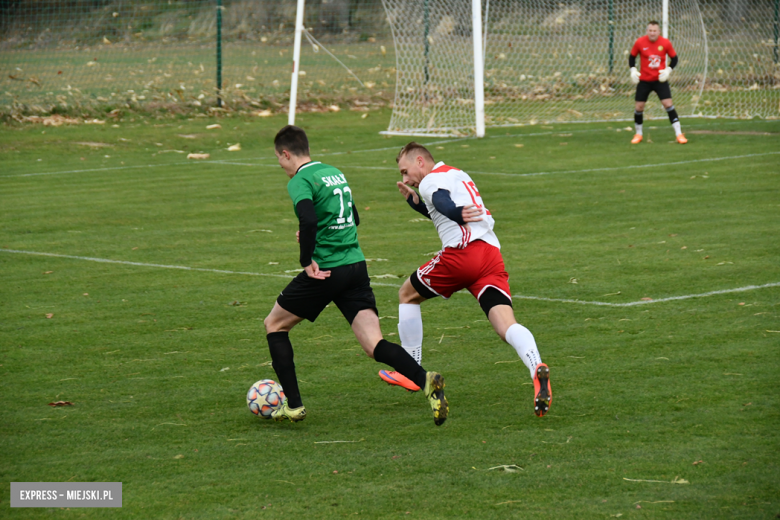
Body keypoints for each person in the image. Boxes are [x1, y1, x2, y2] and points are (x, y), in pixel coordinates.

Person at [262, 126, 448, 426]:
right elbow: (353, 217)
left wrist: (307, 258)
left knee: (274, 324)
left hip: (326, 271)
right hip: (356, 268)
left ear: (286, 154)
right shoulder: (334, 172)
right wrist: (318, 231)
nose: (281, 166)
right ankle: (424, 379)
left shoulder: (301, 179)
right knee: (374, 344)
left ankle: (294, 406)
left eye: (279, 159)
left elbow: (308, 217)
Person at [377, 142, 552, 417]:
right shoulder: (457, 174)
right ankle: (536, 366)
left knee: (407, 294)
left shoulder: (430, 181)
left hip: (463, 255)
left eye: (405, 170)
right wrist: (417, 204)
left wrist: (456, 214)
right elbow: (439, 206)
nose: (404, 178)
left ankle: (412, 371)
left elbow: (445, 204)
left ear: (420, 161)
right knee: (506, 325)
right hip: (491, 256)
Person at [629, 20, 687, 145]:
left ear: (659, 32)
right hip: (644, 80)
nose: (652, 33)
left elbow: (675, 58)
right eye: (650, 30)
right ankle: (638, 134)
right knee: (639, 107)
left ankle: (679, 134)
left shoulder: (665, 43)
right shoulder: (640, 42)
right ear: (647, 31)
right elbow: (632, 56)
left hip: (660, 80)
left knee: (668, 104)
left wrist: (668, 70)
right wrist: (633, 70)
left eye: (655, 31)